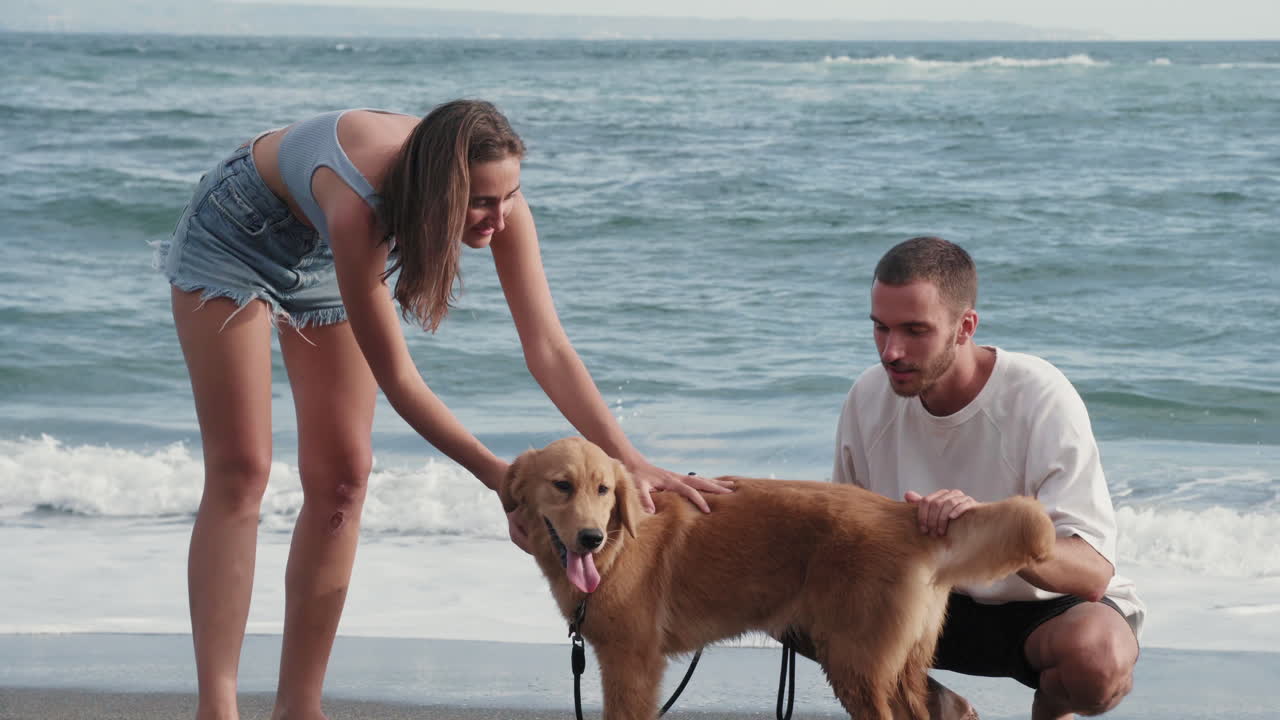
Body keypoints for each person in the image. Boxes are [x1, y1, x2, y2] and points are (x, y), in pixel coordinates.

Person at [155, 100, 731, 720]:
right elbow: (400, 380)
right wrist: (505, 482)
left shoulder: (501, 201)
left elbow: (548, 348)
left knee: (344, 479)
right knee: (243, 470)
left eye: (509, 197)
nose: (499, 218)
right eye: (481, 203)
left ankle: (300, 707)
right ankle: (217, 707)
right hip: (238, 232)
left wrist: (629, 458)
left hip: (325, 248)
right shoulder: (358, 209)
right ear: (440, 192)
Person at [825, 237, 1144, 719]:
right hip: (922, 605)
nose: (891, 351)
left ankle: (1053, 712)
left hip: (1041, 610)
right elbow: (842, 550)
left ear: (965, 327)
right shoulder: (868, 397)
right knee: (781, 597)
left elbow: (1092, 573)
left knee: (1098, 662)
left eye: (915, 330)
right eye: (880, 328)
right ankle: (936, 707)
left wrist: (993, 535)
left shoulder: (1038, 395)